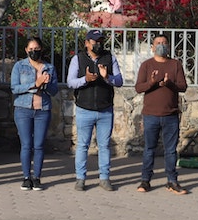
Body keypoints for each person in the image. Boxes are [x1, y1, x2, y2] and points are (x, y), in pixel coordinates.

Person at [66, 29, 123, 192]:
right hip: (85, 109)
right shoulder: (78, 59)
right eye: (94, 41)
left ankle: (104, 178)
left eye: (100, 41)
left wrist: (107, 78)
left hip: (105, 109)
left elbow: (119, 81)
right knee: (83, 145)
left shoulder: (109, 58)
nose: (98, 44)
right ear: (86, 43)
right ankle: (80, 178)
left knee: (104, 145)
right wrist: (86, 79)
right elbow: (70, 82)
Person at [134, 33, 188, 194]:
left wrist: (169, 83)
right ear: (152, 47)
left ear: (169, 46)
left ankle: (172, 181)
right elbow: (138, 88)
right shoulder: (146, 65)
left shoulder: (175, 64)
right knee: (149, 149)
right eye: (158, 43)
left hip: (170, 115)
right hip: (150, 115)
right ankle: (145, 180)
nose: (161, 45)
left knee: (171, 150)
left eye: (164, 43)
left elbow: (183, 86)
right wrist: (151, 83)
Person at [10, 36, 59, 191]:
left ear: (41, 49)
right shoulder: (19, 66)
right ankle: (26, 177)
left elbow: (54, 91)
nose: (33, 52)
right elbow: (15, 88)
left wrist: (46, 84)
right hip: (23, 109)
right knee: (26, 145)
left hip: (42, 110)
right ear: (26, 50)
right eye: (30, 49)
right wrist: (35, 84)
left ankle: (37, 177)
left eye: (36, 49)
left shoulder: (49, 67)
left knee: (38, 145)